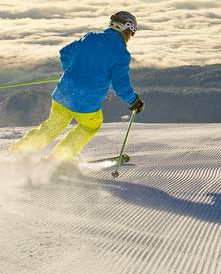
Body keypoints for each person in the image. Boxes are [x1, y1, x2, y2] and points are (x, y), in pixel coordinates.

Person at [11, 11, 144, 164]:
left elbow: (65, 53)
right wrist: (134, 100)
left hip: (63, 94)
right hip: (86, 104)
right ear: (126, 29)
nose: (130, 36)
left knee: (52, 126)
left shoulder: (90, 38)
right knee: (90, 125)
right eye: (132, 32)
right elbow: (121, 86)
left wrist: (73, 71)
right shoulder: (121, 54)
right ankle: (58, 159)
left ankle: (19, 153)